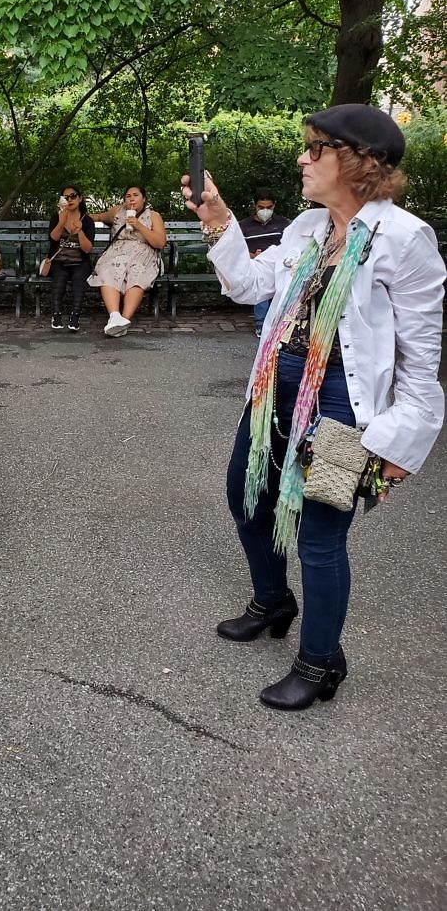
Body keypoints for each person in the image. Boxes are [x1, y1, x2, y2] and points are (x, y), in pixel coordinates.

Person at [181, 103, 445, 711]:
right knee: (247, 498)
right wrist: (219, 219)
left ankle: (322, 661)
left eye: (316, 148)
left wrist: (398, 445)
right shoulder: (306, 228)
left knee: (320, 540)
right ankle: (273, 600)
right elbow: (249, 286)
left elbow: (420, 360)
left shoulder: (404, 240)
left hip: (342, 405)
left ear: (362, 162)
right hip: (275, 384)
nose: (303, 157)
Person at [89, 185, 167, 336]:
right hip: (117, 252)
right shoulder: (117, 212)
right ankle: (115, 317)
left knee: (137, 274)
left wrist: (139, 226)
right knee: (108, 270)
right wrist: (78, 217)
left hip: (144, 253)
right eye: (128, 196)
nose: (131, 198)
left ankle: (123, 320)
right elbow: (98, 217)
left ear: (144, 199)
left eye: (135, 195)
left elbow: (159, 242)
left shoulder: (153, 216)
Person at [237, 188, 291, 336]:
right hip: (255, 264)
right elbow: (238, 249)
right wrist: (252, 255)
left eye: (269, 207)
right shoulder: (244, 226)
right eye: (261, 207)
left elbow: (291, 245)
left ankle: (280, 322)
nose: (265, 210)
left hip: (281, 264)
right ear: (255, 206)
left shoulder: (284, 224)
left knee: (283, 280)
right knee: (259, 280)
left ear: (274, 206)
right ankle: (261, 323)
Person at [46, 185, 96, 331]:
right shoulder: (56, 217)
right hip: (59, 259)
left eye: (73, 196)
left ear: (80, 199)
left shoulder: (87, 221)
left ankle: (75, 315)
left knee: (80, 278)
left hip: (80, 261)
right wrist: (62, 221)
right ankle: (56, 314)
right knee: (59, 277)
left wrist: (80, 231)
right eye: (66, 197)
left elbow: (87, 249)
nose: (70, 199)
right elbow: (54, 238)